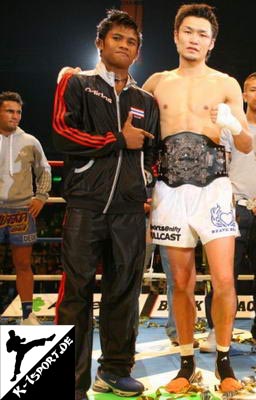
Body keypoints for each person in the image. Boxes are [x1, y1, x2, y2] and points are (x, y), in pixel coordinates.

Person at [142, 3, 252, 393]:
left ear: (212, 43)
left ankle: (224, 358)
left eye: (202, 34)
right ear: (176, 36)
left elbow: (246, 143)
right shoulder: (156, 82)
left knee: (224, 279)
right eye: (188, 31)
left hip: (214, 187)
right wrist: (80, 77)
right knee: (182, 283)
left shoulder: (225, 83)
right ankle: (186, 363)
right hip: (169, 189)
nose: (194, 39)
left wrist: (232, 124)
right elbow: (127, 115)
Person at [52, 10, 159, 400]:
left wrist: (150, 190)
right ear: (100, 43)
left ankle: (114, 370)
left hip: (130, 210)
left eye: (132, 42)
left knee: (124, 293)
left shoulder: (145, 99)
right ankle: (73, 379)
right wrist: (116, 140)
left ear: (138, 51)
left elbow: (155, 153)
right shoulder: (76, 83)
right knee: (76, 293)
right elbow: (63, 133)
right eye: (117, 38)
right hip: (85, 205)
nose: (124, 46)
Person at [202, 72, 256, 352]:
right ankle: (215, 330)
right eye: (252, 90)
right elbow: (218, 165)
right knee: (223, 272)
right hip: (232, 209)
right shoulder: (230, 130)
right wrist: (224, 196)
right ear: (243, 95)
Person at [0, 91, 51, 325]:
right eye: (10, 111)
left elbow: (45, 170)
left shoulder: (30, 141)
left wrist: (41, 196)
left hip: (21, 209)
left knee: (23, 264)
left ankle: (27, 314)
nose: (15, 116)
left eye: (18, 112)